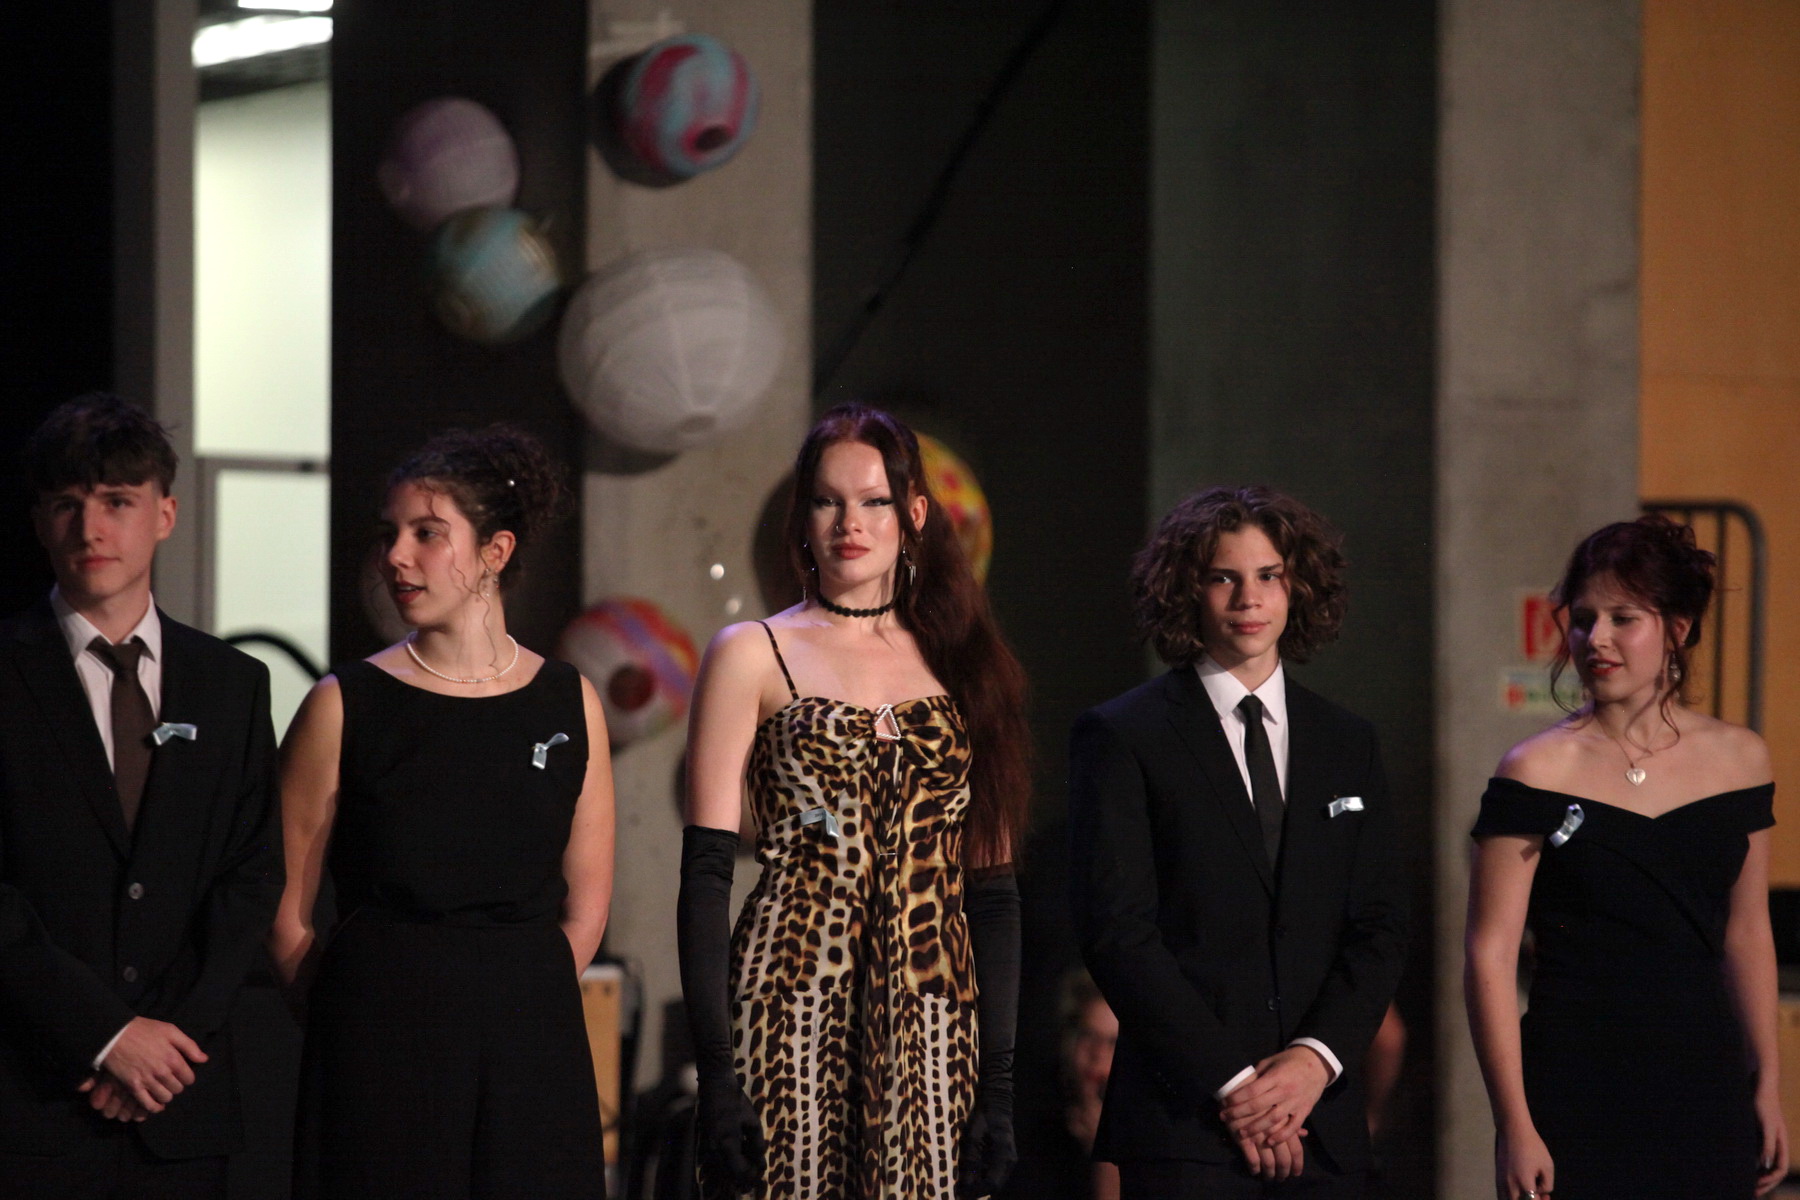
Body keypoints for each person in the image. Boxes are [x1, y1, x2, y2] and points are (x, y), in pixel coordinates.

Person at [678, 404, 1029, 1199]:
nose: (850, 523)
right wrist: (718, 1077)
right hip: (788, 1007)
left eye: (874, 501)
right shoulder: (752, 652)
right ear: (802, 517)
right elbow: (705, 877)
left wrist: (1000, 1088)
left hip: (933, 1023)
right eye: (827, 501)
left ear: (915, 514)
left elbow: (995, 893)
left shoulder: (967, 663)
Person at [270, 425, 615, 1198]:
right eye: (390, 533)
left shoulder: (569, 700)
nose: (396, 555)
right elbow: (283, 908)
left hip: (530, 1044)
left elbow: (587, 907)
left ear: (495, 550)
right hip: (381, 1042)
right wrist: (354, 1013)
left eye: (427, 533)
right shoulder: (344, 703)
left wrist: (512, 998)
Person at [1069, 485, 1408, 1198]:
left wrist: (1312, 1064)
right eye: (1224, 577)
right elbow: (1118, 932)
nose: (1248, 598)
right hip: (1185, 1125)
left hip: (1322, 1123)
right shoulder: (1124, 734)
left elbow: (1380, 926)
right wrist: (1239, 1090)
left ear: (1297, 586)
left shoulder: (1349, 742)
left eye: (1268, 576)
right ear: (1187, 589)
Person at [0, 394, 282, 1197]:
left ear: (164, 515)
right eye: (68, 505)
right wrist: (106, 1035)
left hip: (181, 1101)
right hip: (29, 1096)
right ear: (39, 521)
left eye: (117, 502)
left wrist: (167, 1042)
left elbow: (252, 875)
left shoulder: (232, 684)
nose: (91, 529)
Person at [1464, 514, 1788, 1200]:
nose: (1597, 639)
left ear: (1678, 628)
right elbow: (1489, 953)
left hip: (1704, 1078)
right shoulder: (1535, 770)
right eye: (1583, 619)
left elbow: (1747, 930)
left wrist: (1769, 1083)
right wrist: (1513, 1124)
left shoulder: (1740, 758)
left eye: (1623, 618)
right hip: (1575, 1079)